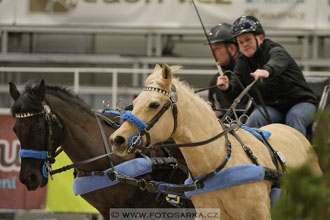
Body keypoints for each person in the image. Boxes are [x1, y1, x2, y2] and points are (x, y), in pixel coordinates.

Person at [217, 15, 318, 136]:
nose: (244, 45)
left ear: (260, 38)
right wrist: (227, 88)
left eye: (247, 39)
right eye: (240, 42)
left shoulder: (276, 50)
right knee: (254, 118)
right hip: (272, 107)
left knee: (295, 117)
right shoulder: (242, 61)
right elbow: (236, 92)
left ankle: (301, 154)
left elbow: (277, 61)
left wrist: (266, 71)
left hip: (301, 102)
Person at [207, 23, 247, 117]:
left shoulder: (250, 72)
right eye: (212, 49)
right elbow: (215, 113)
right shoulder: (216, 80)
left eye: (216, 49)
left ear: (232, 48)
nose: (213, 54)